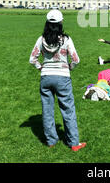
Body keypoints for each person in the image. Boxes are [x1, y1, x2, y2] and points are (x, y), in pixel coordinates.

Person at [29, 9, 86, 151]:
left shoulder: (41, 39)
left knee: (47, 110)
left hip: (46, 77)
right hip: (63, 77)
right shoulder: (66, 39)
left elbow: (32, 59)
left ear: (47, 24)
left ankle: (51, 141)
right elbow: (76, 59)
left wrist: (41, 68)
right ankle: (73, 143)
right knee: (68, 110)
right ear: (60, 23)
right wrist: (69, 68)